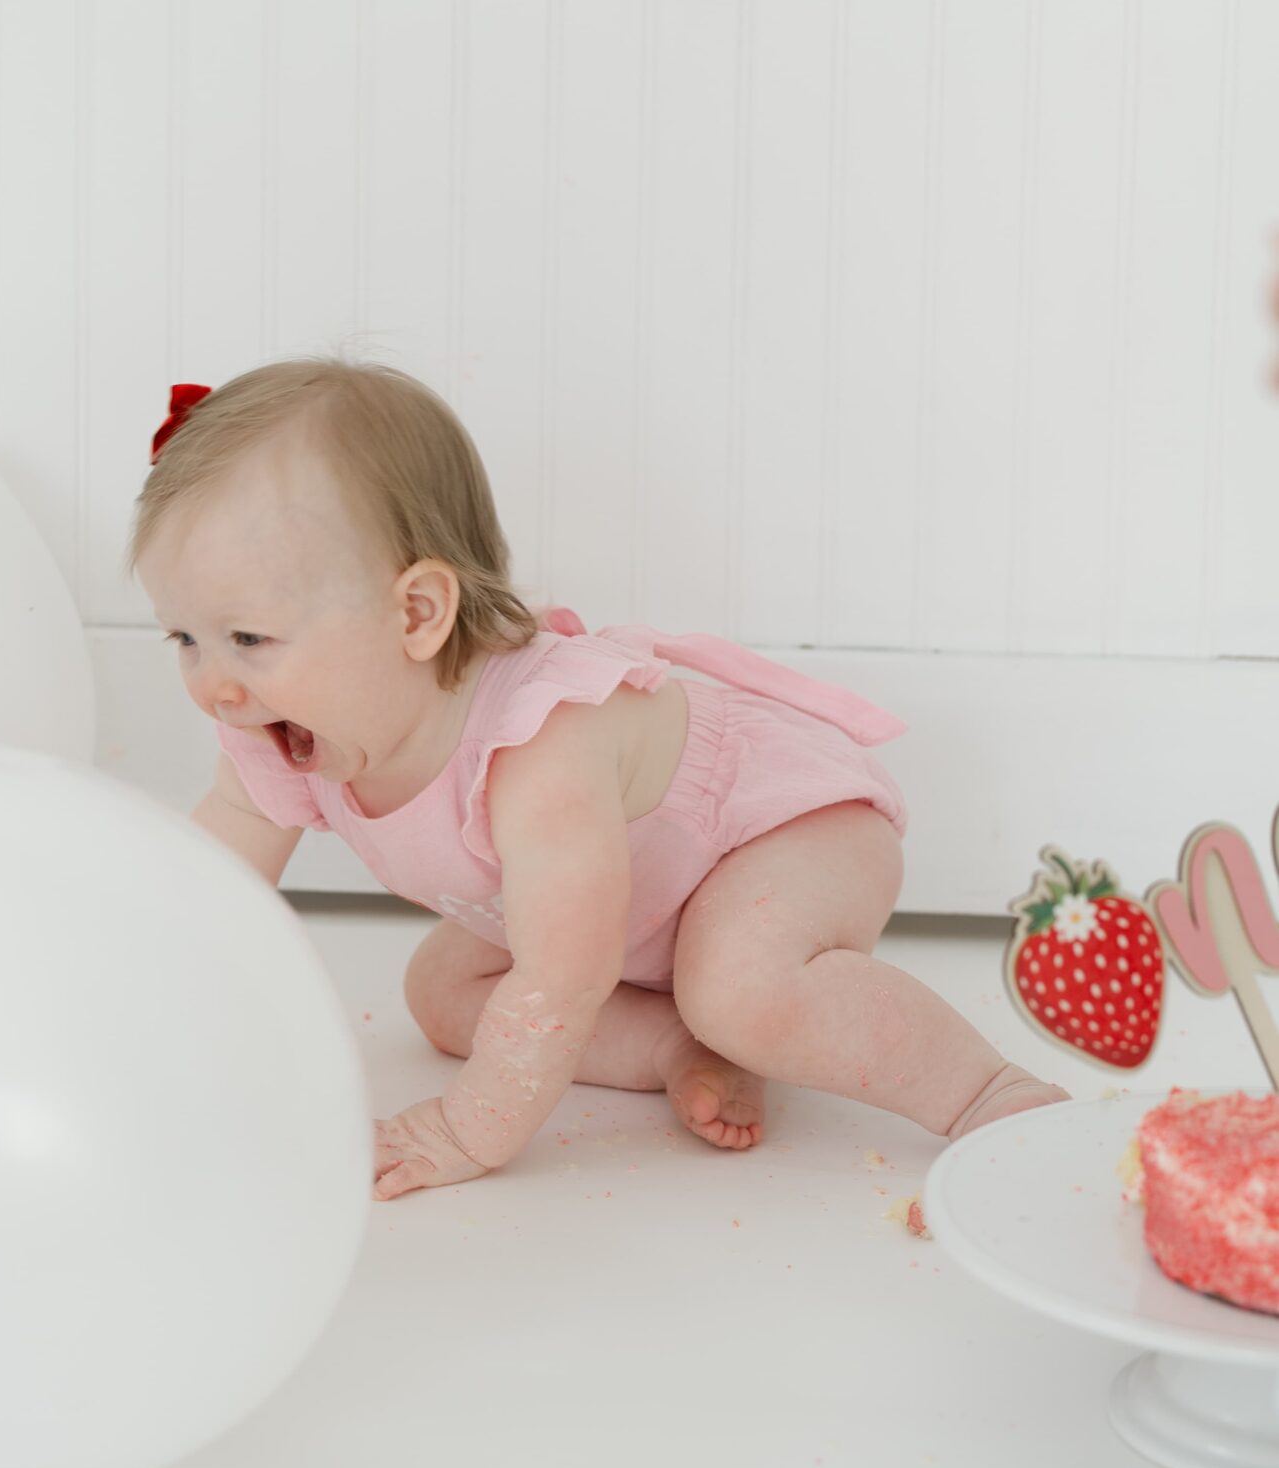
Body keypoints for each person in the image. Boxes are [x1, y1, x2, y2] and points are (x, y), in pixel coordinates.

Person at [131, 360, 1066, 1201]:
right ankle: (674, 1047)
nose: (211, 685)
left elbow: (560, 972)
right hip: (623, 909)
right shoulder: (273, 728)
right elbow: (209, 890)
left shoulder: (539, 747)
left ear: (415, 612)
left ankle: (985, 1090)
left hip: (774, 835)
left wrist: (470, 1128)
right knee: (443, 994)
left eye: (247, 639)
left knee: (737, 987)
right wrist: (124, 1002)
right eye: (185, 638)